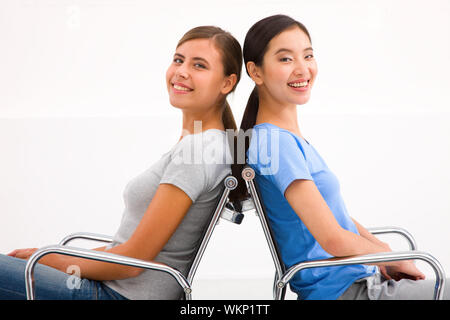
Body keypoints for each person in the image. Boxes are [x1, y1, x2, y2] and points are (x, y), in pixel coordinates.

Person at [0, 25, 242, 300]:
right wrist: (51, 255)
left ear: (227, 83)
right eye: (178, 59)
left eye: (199, 65)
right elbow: (124, 249)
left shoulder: (198, 151)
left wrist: (42, 257)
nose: (182, 71)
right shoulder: (205, 145)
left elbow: (131, 263)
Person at [229, 14, 449, 300]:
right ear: (256, 72)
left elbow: (336, 217)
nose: (302, 68)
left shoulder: (284, 140)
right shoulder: (276, 143)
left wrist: (385, 253)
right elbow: (332, 238)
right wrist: (386, 255)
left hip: (359, 282)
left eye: (308, 56)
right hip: (346, 292)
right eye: (285, 59)